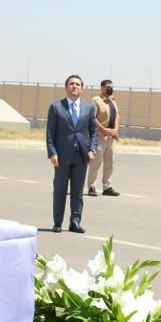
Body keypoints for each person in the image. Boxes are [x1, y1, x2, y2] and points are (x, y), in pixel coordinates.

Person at [46, 75, 97, 233]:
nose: (74, 86)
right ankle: (57, 222)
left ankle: (75, 222)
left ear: (82, 88)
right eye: (71, 84)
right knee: (60, 189)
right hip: (61, 157)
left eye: (77, 84)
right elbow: (50, 134)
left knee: (77, 191)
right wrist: (52, 153)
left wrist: (92, 149)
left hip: (81, 156)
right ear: (66, 87)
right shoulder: (56, 107)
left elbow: (93, 132)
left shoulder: (89, 108)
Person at [87, 79, 121, 197]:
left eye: (111, 86)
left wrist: (115, 129)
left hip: (111, 137)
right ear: (102, 88)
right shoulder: (96, 100)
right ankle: (91, 186)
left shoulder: (113, 101)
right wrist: (104, 130)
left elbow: (117, 116)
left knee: (109, 163)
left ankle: (107, 187)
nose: (110, 89)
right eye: (108, 87)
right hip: (99, 136)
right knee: (95, 163)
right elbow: (92, 118)